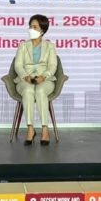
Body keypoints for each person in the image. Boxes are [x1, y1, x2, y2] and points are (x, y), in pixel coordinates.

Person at [14, 15, 58, 146]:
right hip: (25, 79)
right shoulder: (23, 46)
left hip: (45, 79)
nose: (31, 29)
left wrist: (44, 76)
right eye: (30, 26)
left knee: (40, 91)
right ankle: (30, 128)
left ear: (42, 30)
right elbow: (18, 65)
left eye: (34, 27)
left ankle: (45, 129)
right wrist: (25, 76)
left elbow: (53, 66)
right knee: (28, 90)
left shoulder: (50, 46)